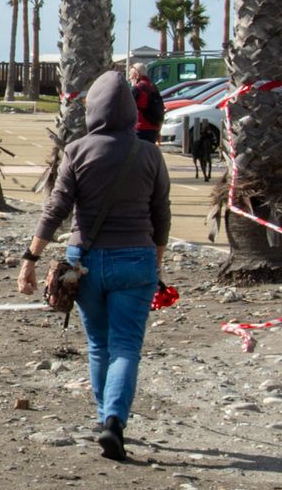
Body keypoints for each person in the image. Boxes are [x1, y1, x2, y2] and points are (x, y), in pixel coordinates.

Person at [16, 70, 171, 463]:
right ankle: (114, 422)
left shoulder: (77, 150)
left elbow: (57, 209)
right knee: (126, 345)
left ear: (94, 110)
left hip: (85, 262)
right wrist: (157, 260)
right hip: (136, 260)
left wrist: (30, 259)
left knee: (99, 345)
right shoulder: (149, 153)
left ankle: (106, 420)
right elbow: (161, 213)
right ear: (128, 112)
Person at [129, 63, 165, 144]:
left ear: (136, 75)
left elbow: (127, 109)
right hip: (154, 129)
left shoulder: (137, 88)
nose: (129, 78)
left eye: (130, 75)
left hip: (140, 130)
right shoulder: (153, 87)